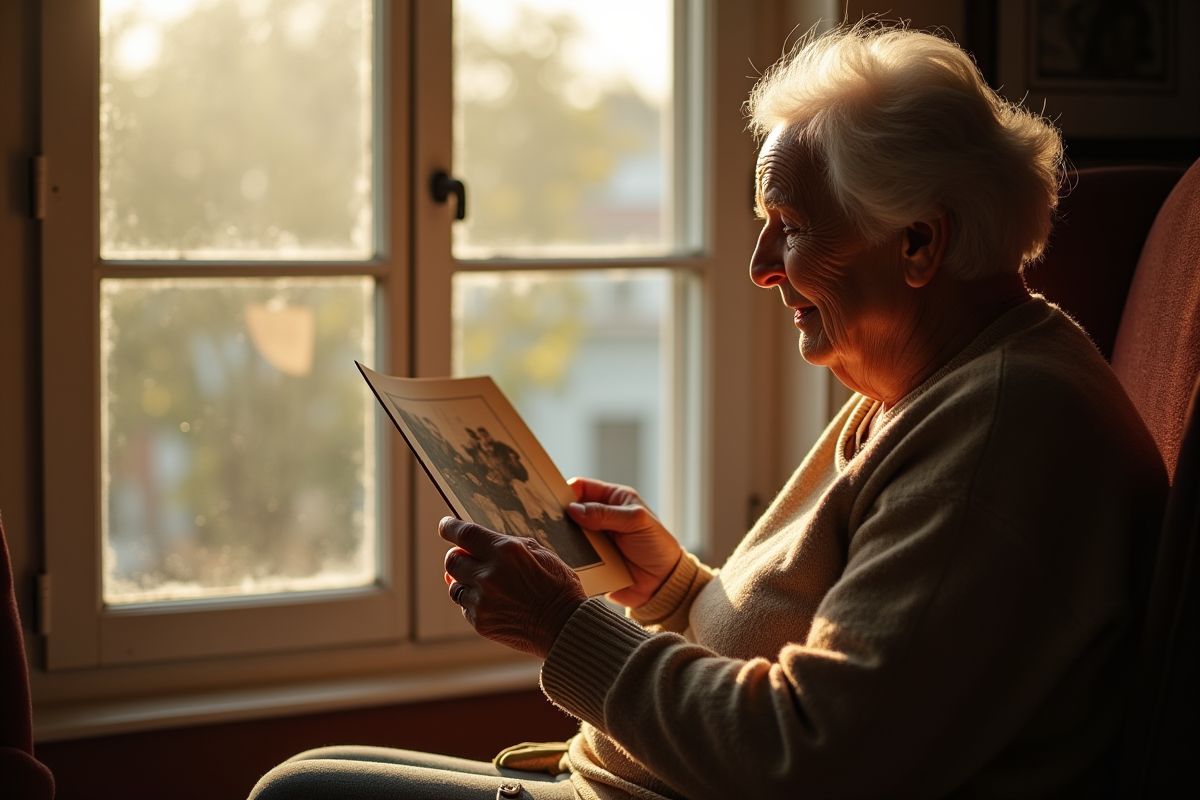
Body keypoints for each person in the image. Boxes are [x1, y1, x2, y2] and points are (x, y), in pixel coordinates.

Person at [250, 21, 1166, 800]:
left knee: (295, 790)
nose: (763, 264)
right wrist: (677, 589)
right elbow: (817, 644)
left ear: (919, 241)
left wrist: (563, 628)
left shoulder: (1001, 429)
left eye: (792, 226)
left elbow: (813, 755)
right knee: (318, 770)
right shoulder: (926, 381)